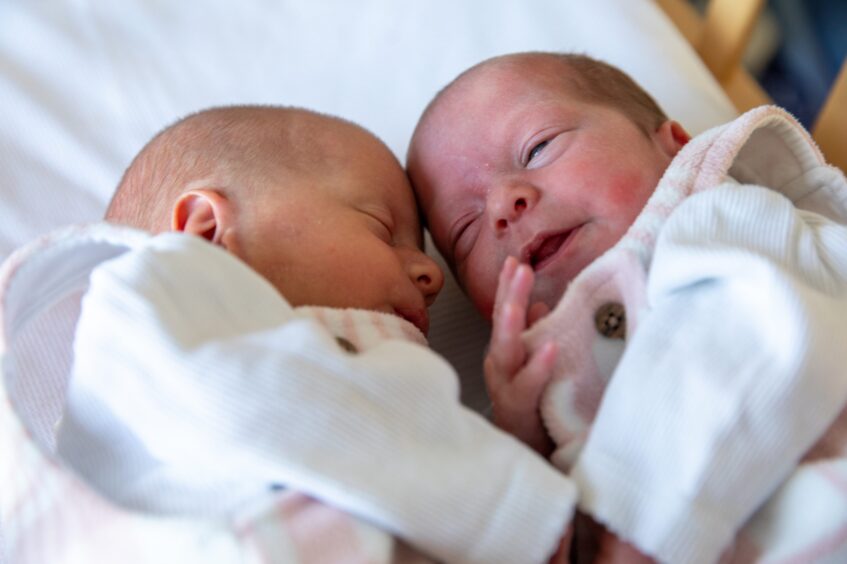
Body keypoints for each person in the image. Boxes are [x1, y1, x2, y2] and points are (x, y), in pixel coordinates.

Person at [53, 105, 578, 563]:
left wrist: (514, 437)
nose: (431, 275)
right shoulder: (140, 303)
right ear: (206, 233)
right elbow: (264, 410)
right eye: (379, 227)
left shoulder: (391, 390)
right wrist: (524, 513)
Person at [407, 52, 847, 562]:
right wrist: (527, 435)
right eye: (465, 230)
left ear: (672, 146)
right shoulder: (557, 357)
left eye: (538, 148)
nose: (503, 204)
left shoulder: (724, 220)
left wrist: (637, 527)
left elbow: (758, 336)